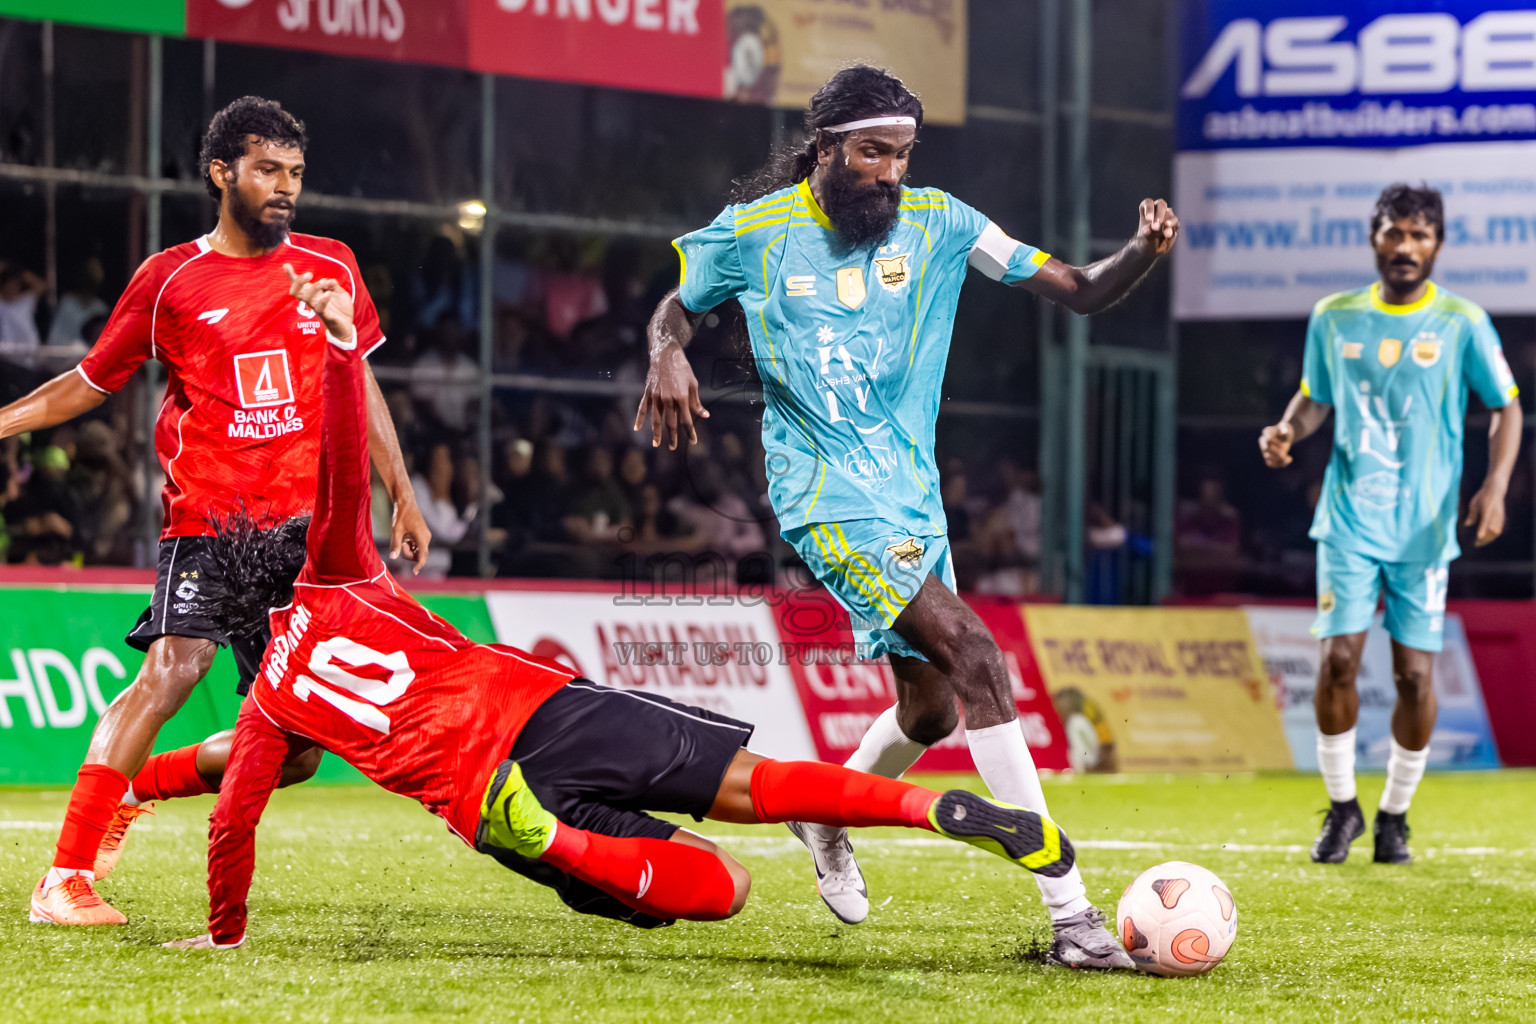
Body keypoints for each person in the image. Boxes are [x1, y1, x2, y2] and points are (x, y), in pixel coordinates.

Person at [163, 302, 1077, 950]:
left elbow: (232, 826)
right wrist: (331, 350)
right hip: (547, 709)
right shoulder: (336, 578)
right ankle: (928, 806)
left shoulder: (269, 705)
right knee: (759, 786)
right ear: (292, 560)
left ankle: (549, 837)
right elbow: (342, 468)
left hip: (483, 796)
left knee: (725, 889)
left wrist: (220, 930)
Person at [632, 65, 1179, 968]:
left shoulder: (944, 223)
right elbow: (674, 309)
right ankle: (1072, 915)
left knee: (929, 713)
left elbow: (1077, 287)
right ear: (827, 149)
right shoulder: (756, 234)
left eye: (901, 154)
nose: (890, 171)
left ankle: (823, 810)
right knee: (977, 656)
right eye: (872, 152)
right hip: (824, 493)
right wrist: (665, 354)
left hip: (910, 496)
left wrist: (1141, 255)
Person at [4, 96, 431, 926]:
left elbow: (363, 379)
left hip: (301, 534)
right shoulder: (168, 280)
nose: (285, 188)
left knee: (301, 747)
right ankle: (63, 877)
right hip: (210, 518)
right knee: (174, 669)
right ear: (221, 172)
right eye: (267, 170)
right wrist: (5, 421)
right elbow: (91, 383)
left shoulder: (331, 265)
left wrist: (402, 493)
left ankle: (142, 786)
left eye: (296, 173)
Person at [1258, 184, 1522, 866]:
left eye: (1418, 235)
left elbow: (1506, 408)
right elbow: (1315, 400)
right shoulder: (1334, 317)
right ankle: (1343, 807)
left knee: (1413, 677)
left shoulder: (1463, 321)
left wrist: (1494, 487)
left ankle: (1395, 815)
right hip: (1348, 519)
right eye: (1392, 233)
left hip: (1425, 528)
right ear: (1373, 239)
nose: (1404, 247)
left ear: (1436, 245)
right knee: (1338, 659)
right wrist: (1287, 430)